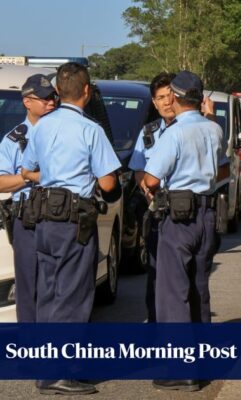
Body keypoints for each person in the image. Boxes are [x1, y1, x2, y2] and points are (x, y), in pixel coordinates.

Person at [21, 62, 121, 395]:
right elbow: (108, 183)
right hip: (74, 220)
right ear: (87, 91)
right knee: (73, 297)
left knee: (48, 295)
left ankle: (48, 367)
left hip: (44, 218)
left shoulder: (42, 127)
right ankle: (58, 373)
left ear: (59, 91)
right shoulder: (91, 129)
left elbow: (29, 167)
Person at [143, 70, 222, 392]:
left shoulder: (173, 134)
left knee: (172, 292)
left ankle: (181, 369)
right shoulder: (215, 129)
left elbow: (150, 178)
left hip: (178, 215)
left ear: (174, 97)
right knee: (198, 289)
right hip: (207, 213)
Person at [0, 74, 57, 322]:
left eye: (53, 97)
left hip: (61, 217)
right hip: (29, 219)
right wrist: (31, 177)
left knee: (60, 288)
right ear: (27, 102)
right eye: (44, 99)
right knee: (29, 289)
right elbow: (1, 182)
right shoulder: (14, 140)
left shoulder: (65, 134)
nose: (51, 103)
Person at [128, 72, 176, 323]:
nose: (167, 102)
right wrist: (146, 189)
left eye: (170, 95)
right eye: (161, 98)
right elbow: (137, 168)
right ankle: (155, 322)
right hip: (157, 212)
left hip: (184, 212)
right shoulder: (148, 133)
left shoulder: (191, 129)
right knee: (156, 272)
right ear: (154, 103)